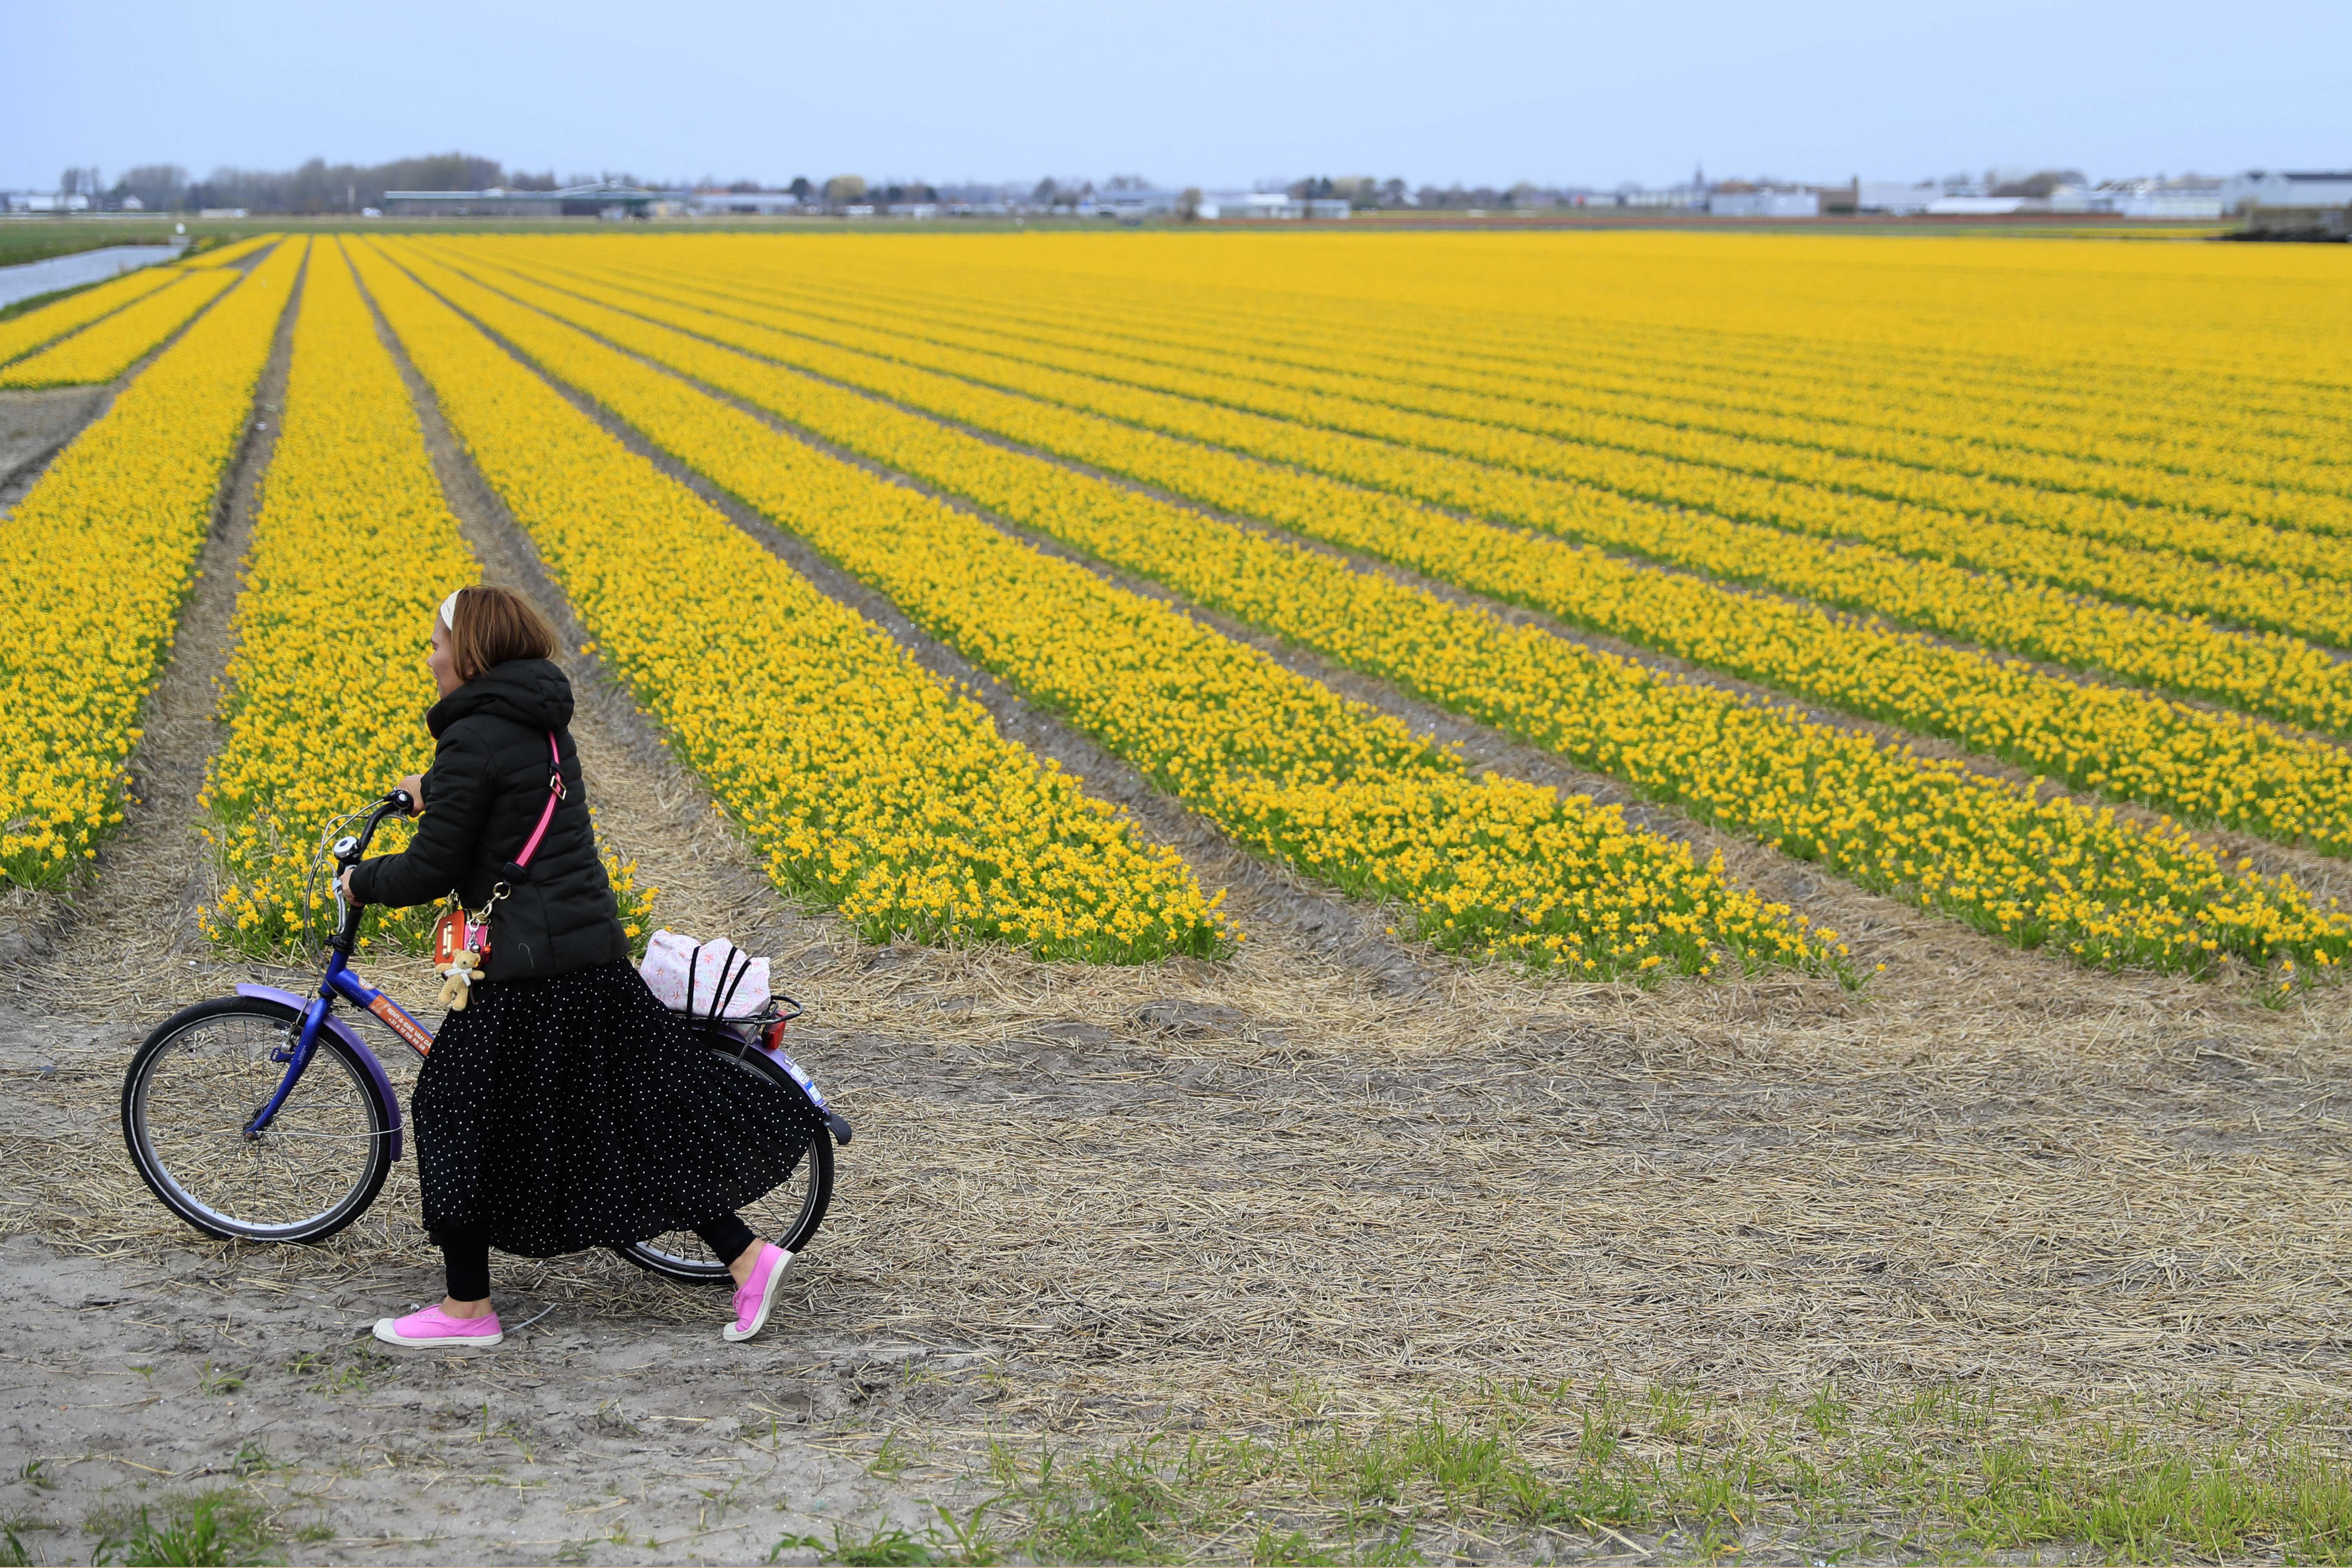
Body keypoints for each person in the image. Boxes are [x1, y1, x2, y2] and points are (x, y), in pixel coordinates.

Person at [340, 585, 825, 1348]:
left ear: (470, 653)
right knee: (628, 1122)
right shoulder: (539, 721)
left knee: (449, 1107)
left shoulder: (471, 737)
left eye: (436, 643)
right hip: (587, 952)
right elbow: (505, 793)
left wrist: (359, 880)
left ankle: (467, 1311)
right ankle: (748, 1258)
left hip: (528, 970)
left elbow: (434, 869)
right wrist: (430, 791)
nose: (429, 658)